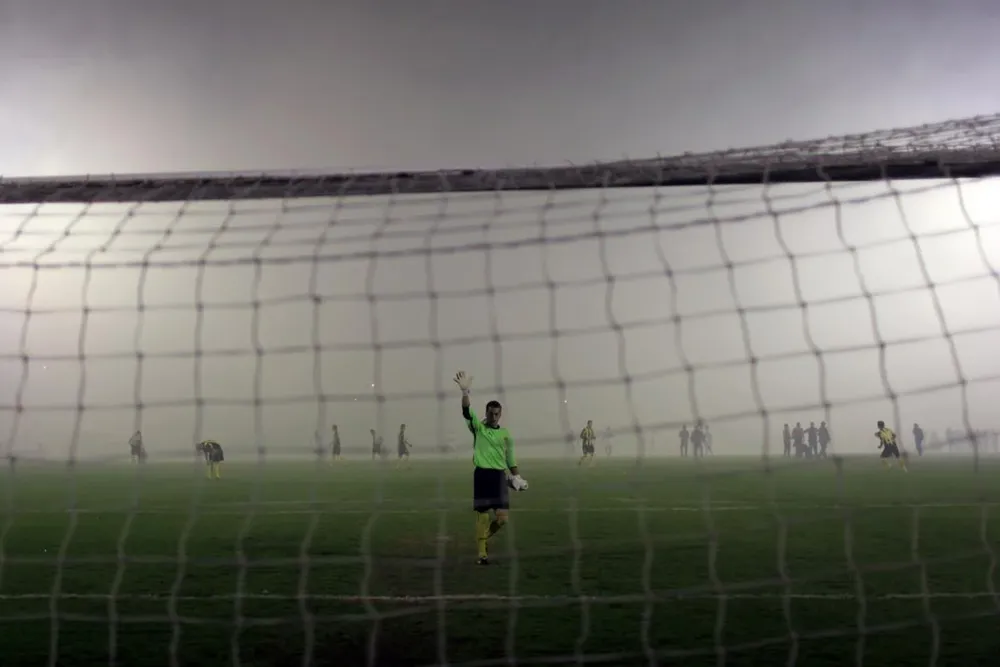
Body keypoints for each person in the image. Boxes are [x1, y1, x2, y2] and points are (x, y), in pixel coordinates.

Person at [454, 370, 527, 566]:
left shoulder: (506, 434)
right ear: (486, 413)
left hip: (499, 478)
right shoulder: (479, 428)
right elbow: (466, 412)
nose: (494, 416)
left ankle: (482, 539)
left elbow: (510, 458)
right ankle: (482, 555)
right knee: (483, 517)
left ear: (500, 414)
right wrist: (465, 392)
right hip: (482, 476)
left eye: (497, 413)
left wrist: (517, 477)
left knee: (502, 519)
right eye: (490, 413)